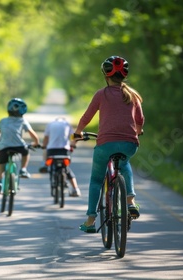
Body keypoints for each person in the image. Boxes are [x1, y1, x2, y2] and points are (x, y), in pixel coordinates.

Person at [74, 56, 144, 233]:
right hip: (129, 144)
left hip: (105, 145)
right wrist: (136, 132)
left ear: (106, 75)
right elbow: (140, 119)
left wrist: (78, 132)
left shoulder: (101, 94)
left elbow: (87, 116)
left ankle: (90, 220)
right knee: (125, 162)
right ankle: (130, 202)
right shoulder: (133, 95)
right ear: (124, 76)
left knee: (96, 180)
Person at [0, 98, 40, 194]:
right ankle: (23, 169)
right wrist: (36, 142)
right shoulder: (23, 121)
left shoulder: (3, 121)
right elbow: (32, 134)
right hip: (19, 146)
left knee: (1, 163)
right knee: (26, 152)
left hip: (4, 147)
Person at [39, 117, 81, 197]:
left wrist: (44, 146)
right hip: (64, 150)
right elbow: (74, 136)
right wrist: (73, 144)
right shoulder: (67, 124)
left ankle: (45, 164)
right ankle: (76, 189)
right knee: (66, 169)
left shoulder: (50, 124)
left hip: (52, 150)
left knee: (47, 153)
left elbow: (46, 138)